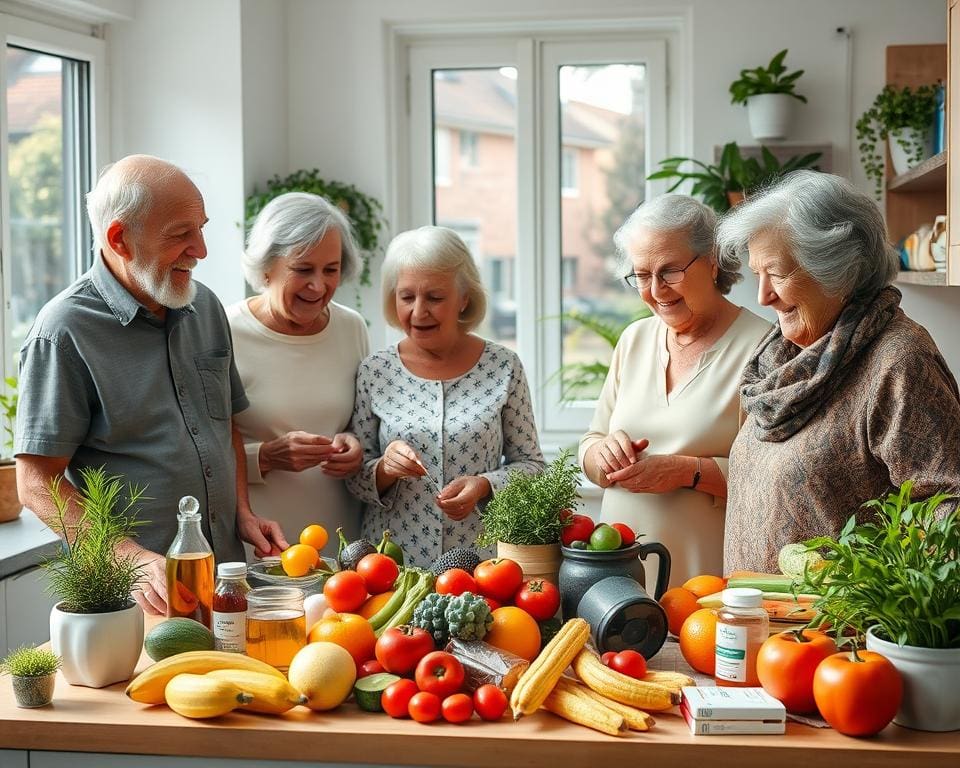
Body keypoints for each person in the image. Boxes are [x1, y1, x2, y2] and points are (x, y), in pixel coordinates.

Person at [14, 155, 287, 615]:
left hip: (224, 581)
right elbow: (35, 482)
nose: (200, 250)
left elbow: (223, 428)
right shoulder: (63, 331)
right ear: (121, 239)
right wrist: (130, 558)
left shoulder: (208, 308)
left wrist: (241, 512)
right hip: (134, 599)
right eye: (181, 234)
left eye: (200, 229)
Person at [717, 170, 960, 573]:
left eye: (776, 273)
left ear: (838, 270)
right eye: (758, 273)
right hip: (754, 624)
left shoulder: (898, 361)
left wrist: (864, 582)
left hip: (835, 629)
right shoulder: (780, 355)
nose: (763, 295)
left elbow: (947, 508)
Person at [579, 194, 770, 587]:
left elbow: (775, 478)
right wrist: (602, 453)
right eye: (641, 275)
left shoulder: (764, 347)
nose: (655, 289)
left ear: (713, 260)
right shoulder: (634, 339)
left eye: (669, 271)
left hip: (708, 582)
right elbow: (590, 444)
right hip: (618, 577)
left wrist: (688, 472)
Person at [346, 226, 545, 566]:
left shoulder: (503, 366)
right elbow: (354, 478)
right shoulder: (374, 370)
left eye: (435, 298)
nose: (419, 311)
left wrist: (484, 484)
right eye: (406, 297)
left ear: (464, 298)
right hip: (391, 569)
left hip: (482, 566)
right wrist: (384, 470)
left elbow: (533, 467)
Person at [229, 193, 369, 548]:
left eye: (331, 270)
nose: (319, 286)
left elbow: (363, 423)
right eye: (303, 269)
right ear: (266, 267)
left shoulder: (351, 328)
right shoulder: (225, 332)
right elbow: (200, 451)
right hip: (261, 543)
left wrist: (356, 445)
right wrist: (265, 457)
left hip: (343, 539)